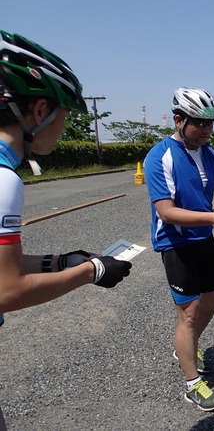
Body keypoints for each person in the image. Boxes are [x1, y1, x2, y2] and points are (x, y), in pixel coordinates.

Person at [0, 30, 132, 430]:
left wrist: (58, 261)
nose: (64, 126)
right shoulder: (5, 180)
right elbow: (6, 290)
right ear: (39, 111)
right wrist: (91, 272)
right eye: (65, 114)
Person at [144, 87, 214, 411]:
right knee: (189, 312)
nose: (207, 131)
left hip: (203, 237)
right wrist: (213, 217)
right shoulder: (159, 156)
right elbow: (165, 211)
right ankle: (193, 384)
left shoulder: (213, 155)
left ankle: (187, 345)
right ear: (179, 120)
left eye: (211, 124)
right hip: (175, 241)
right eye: (200, 124)